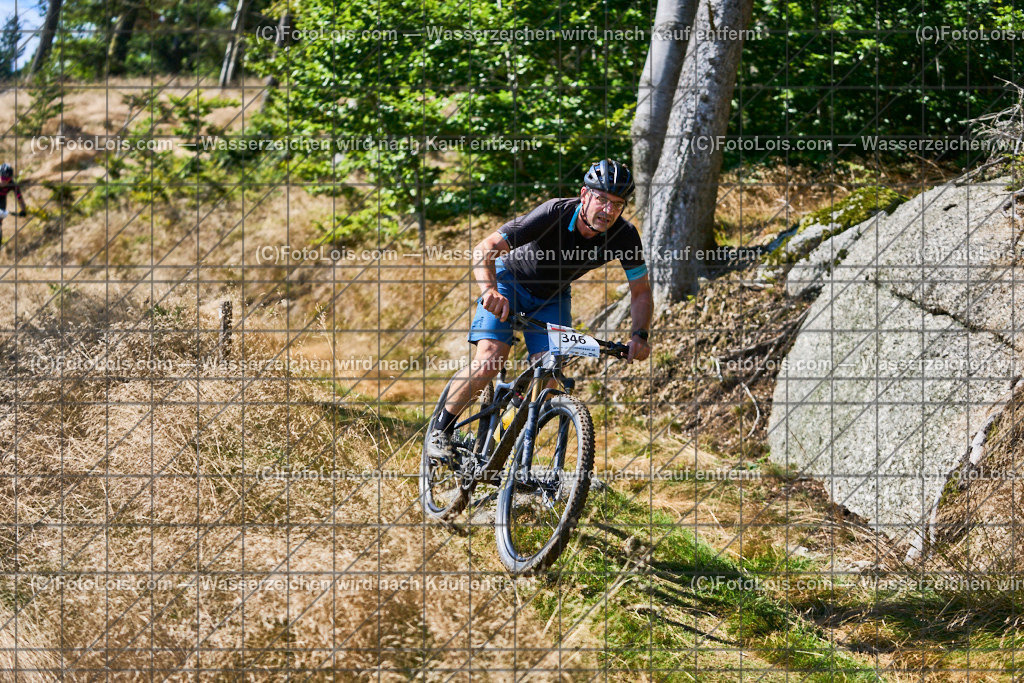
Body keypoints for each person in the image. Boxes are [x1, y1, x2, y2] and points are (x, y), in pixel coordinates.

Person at [426, 158, 653, 460]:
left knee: (548, 376)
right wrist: (490, 290)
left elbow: (640, 292)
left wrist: (640, 335)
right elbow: (486, 247)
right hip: (510, 282)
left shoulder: (624, 235)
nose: (608, 211)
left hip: (553, 297)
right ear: (585, 195)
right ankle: (441, 432)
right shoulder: (554, 213)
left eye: (617, 204)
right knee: (491, 359)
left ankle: (497, 439)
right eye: (601, 199)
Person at [0, 163, 28, 245]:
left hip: (1, 200)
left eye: (7, 178)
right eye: (2, 177)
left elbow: (20, 198)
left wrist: (23, 210)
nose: (4, 180)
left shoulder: (13, 184)